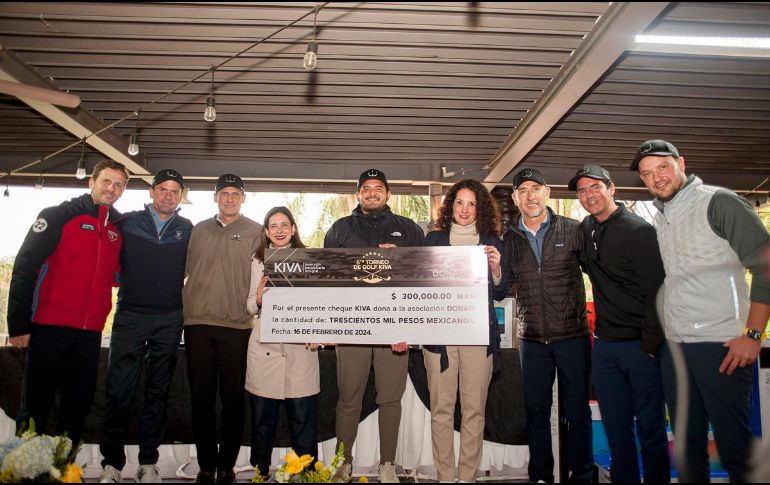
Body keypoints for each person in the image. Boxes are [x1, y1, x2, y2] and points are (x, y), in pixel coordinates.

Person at [631, 139, 770, 483]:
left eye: (662, 167)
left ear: (681, 162)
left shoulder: (719, 202)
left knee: (734, 448)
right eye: (647, 174)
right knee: (687, 450)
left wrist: (753, 335)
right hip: (676, 349)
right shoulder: (662, 217)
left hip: (720, 345)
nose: (656, 178)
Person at [7, 160, 129, 447]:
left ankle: (65, 472)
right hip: (48, 328)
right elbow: (25, 267)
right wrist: (18, 325)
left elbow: (118, 275)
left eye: (118, 185)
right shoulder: (58, 215)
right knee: (36, 407)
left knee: (77, 407)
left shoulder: (118, 229)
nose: (111, 188)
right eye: (106, 182)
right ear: (91, 182)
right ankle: (25, 473)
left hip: (89, 335)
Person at [569, 165, 669, 483]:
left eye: (595, 187)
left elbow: (659, 291)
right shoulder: (586, 228)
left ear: (612, 189)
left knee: (651, 430)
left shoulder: (639, 231)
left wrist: (651, 346)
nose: (589, 195)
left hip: (642, 346)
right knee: (617, 432)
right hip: (606, 348)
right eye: (582, 191)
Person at [324, 168, 424, 483]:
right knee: (348, 397)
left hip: (394, 327)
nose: (371, 192)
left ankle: (388, 464)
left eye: (377, 187)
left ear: (387, 194)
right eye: (365, 187)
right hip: (351, 326)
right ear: (358, 194)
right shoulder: (340, 229)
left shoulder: (408, 229)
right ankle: (343, 463)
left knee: (390, 398)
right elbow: (326, 278)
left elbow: (424, 278)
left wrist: (403, 258)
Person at [495, 167, 593, 484]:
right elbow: (499, 290)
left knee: (576, 411)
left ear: (547, 193)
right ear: (515, 198)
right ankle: (541, 476)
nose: (530, 195)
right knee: (536, 412)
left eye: (535, 189)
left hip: (572, 337)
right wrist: (495, 270)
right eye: (522, 190)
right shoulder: (509, 239)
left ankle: (581, 474)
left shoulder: (573, 229)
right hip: (533, 340)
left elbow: (601, 276)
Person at [98, 169, 193, 483]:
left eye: (174, 191)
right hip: (130, 317)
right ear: (152, 192)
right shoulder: (127, 223)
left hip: (169, 319)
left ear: (181, 196)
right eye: (162, 189)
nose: (168, 195)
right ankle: (112, 464)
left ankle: (148, 462)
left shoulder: (186, 228)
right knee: (119, 391)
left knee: (158, 392)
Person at [422, 179, 506, 483]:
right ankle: (446, 477)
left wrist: (496, 270)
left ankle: (467, 478)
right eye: (459, 202)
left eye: (472, 203)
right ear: (451, 206)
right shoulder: (433, 240)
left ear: (480, 208)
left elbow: (500, 292)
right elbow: (418, 284)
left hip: (477, 339)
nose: (465, 209)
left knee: (474, 412)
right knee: (441, 412)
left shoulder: (492, 242)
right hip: (439, 341)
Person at [182, 174, 261, 484]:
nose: (229, 198)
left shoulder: (256, 232)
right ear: (215, 197)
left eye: (235, 194)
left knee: (232, 400)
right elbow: (181, 272)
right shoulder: (197, 230)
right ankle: (205, 464)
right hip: (198, 325)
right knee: (201, 398)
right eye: (223, 193)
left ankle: (226, 464)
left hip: (237, 327)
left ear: (243, 197)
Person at [245, 206, 320, 479]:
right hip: (264, 350)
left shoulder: (310, 259)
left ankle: (309, 475)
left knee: (303, 421)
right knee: (263, 422)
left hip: (301, 351)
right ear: (266, 232)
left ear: (293, 228)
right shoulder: (256, 261)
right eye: (273, 226)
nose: (279, 230)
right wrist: (259, 299)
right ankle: (259, 473)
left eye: (284, 224)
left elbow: (319, 306)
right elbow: (249, 306)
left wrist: (317, 330)